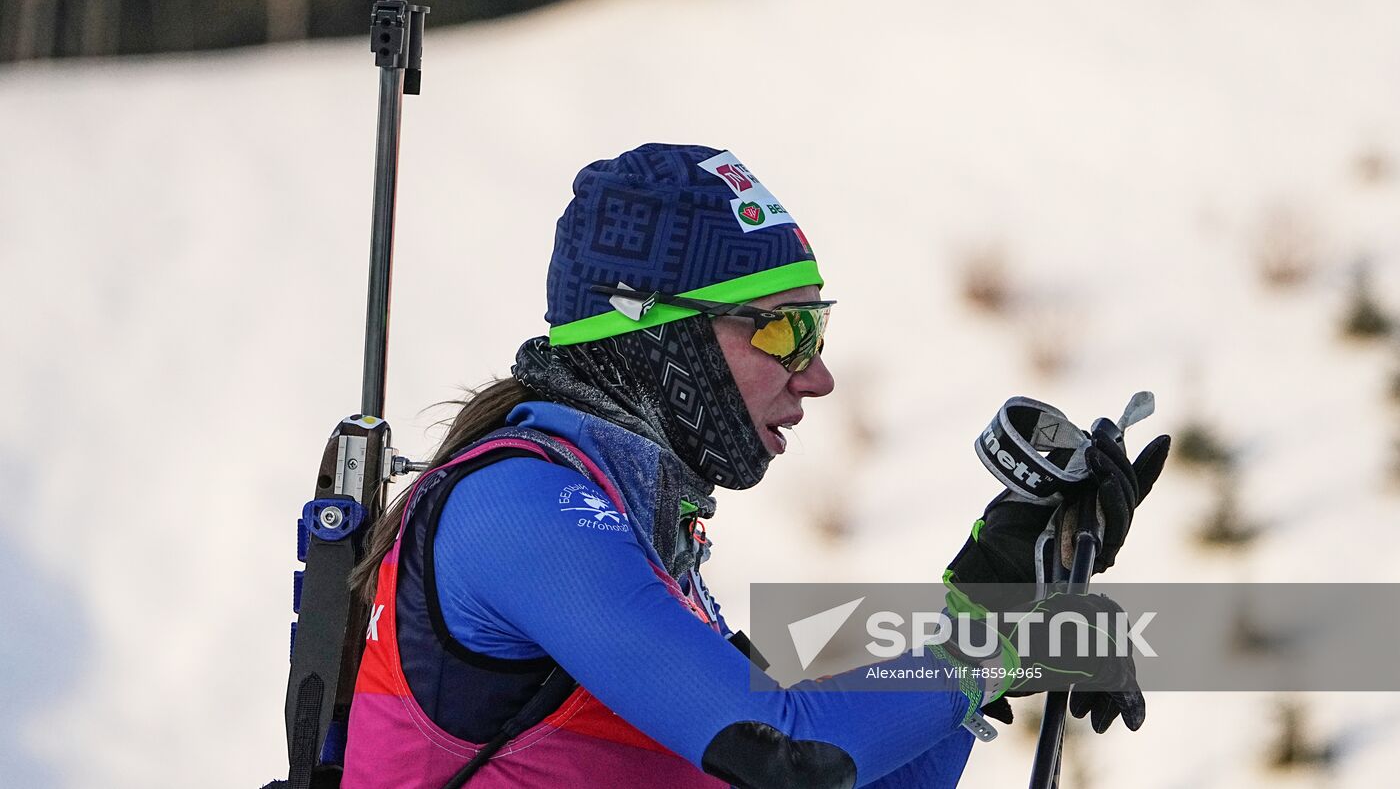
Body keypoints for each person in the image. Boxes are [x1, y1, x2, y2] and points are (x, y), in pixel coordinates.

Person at [339, 144, 1170, 789]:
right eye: (783, 332)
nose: (817, 375)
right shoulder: (520, 506)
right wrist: (1002, 651)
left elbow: (836, 771)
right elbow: (792, 749)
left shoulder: (634, 529)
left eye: (817, 332)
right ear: (656, 331)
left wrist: (990, 602)